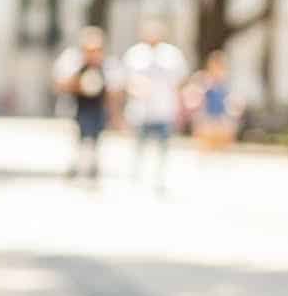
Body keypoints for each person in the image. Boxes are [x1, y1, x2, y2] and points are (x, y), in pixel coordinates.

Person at [122, 19, 188, 190]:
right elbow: (126, 82)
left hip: (164, 109)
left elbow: (180, 84)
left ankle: (160, 178)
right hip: (141, 110)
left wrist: (181, 109)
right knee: (139, 145)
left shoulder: (172, 55)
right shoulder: (135, 54)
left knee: (163, 147)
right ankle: (136, 176)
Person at [52, 26, 123, 179]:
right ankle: (76, 165)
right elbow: (60, 84)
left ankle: (93, 168)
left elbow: (114, 92)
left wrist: (116, 115)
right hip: (76, 106)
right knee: (78, 136)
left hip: (97, 107)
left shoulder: (108, 65)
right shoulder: (73, 62)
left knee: (96, 137)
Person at [189, 50, 239, 151]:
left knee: (222, 148)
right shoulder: (202, 79)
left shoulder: (227, 82)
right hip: (207, 120)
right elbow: (194, 99)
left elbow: (231, 103)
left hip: (222, 120)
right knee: (206, 148)